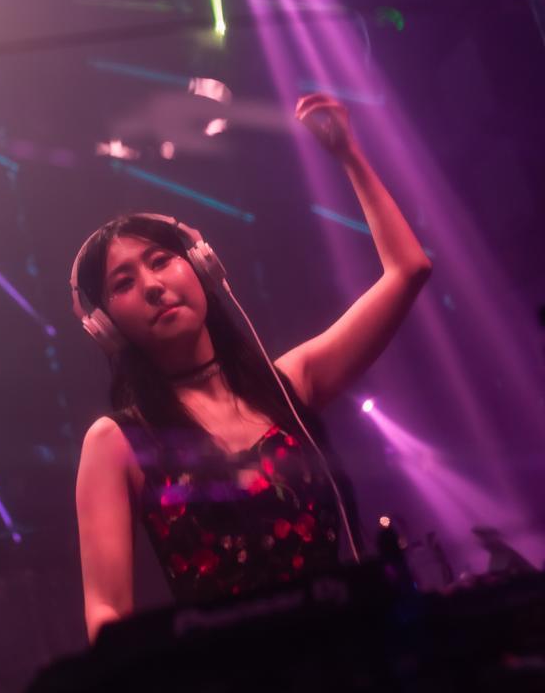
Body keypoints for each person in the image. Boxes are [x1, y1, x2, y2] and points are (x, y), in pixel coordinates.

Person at [71, 93, 432, 643]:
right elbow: (106, 613)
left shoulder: (288, 387)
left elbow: (409, 270)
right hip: (232, 686)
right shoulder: (116, 442)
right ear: (107, 325)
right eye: (124, 283)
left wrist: (349, 155)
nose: (152, 285)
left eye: (161, 260)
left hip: (354, 660)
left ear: (202, 268)